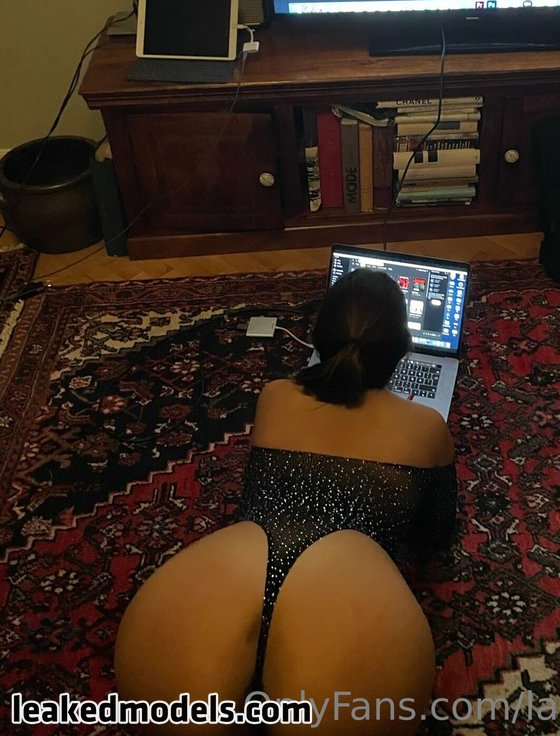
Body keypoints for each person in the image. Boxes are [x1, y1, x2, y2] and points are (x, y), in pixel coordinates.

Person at [114, 268, 457, 735]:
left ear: (319, 338)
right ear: (403, 349)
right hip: (351, 598)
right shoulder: (428, 426)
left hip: (219, 580)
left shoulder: (274, 396)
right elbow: (437, 532)